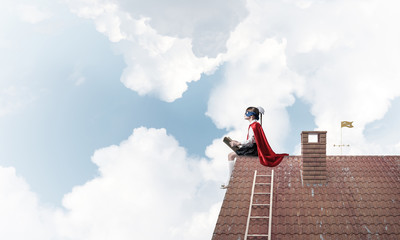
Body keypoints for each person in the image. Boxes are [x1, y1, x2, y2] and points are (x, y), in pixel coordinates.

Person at [221, 106, 288, 189]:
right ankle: (230, 180)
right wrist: (238, 143)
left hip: (254, 150)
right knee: (231, 155)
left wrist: (238, 143)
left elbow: (252, 140)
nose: (245, 114)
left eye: (246, 113)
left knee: (231, 155)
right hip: (252, 147)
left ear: (251, 116)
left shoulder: (254, 125)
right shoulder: (254, 125)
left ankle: (230, 180)